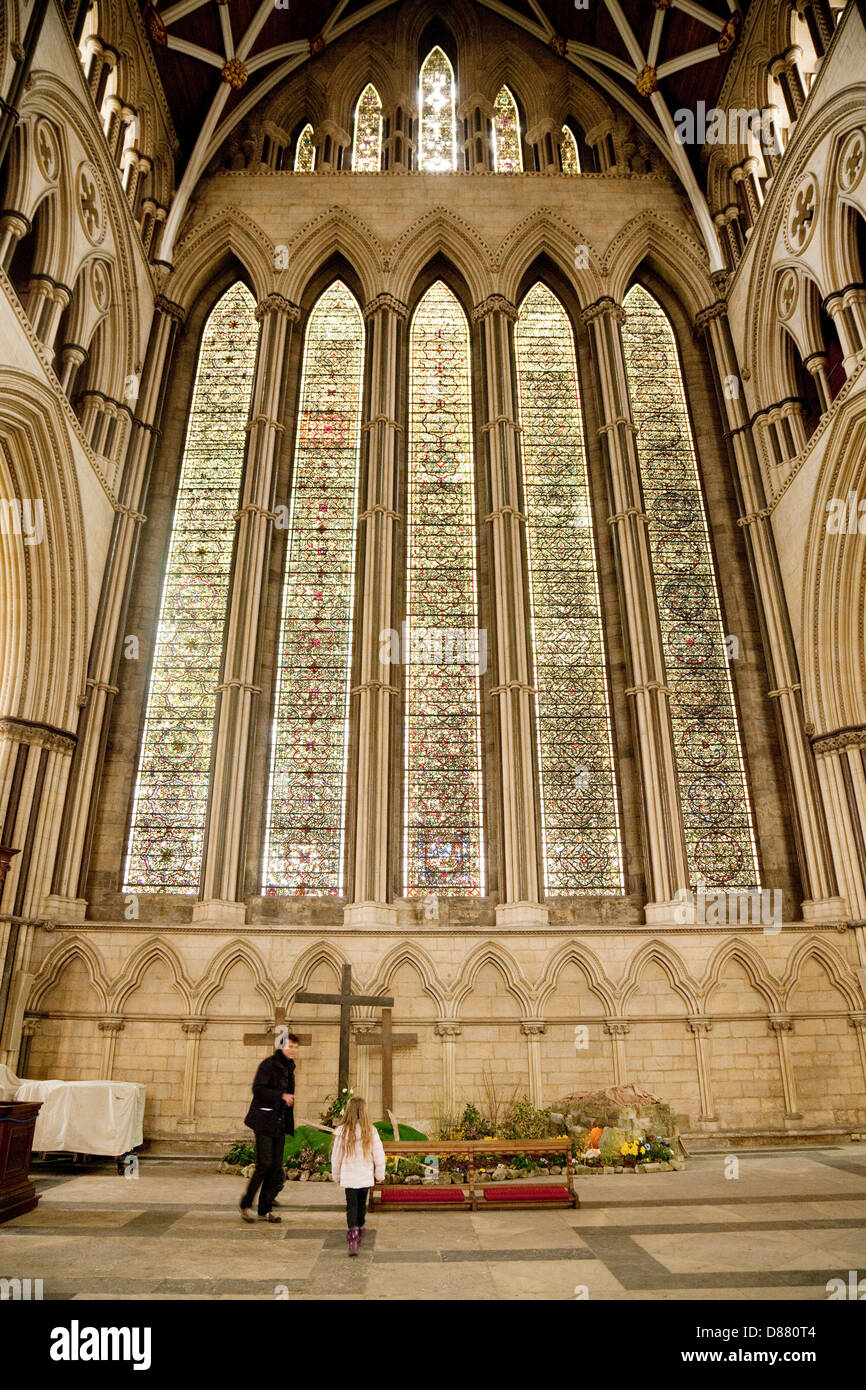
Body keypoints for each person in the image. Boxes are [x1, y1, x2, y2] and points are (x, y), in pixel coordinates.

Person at [239, 1033, 298, 1223]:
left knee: (275, 1167)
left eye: (295, 1047)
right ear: (281, 1047)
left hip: (279, 1123)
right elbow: (258, 1089)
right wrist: (282, 1095)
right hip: (264, 1121)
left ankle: (265, 1209)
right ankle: (246, 1204)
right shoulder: (268, 1065)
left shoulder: (290, 1067)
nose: (293, 1050)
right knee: (264, 1164)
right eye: (290, 1046)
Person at [330, 1095, 386, 1255]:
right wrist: (379, 1173)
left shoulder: (342, 1132)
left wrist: (336, 1174)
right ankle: (360, 1228)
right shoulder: (371, 1131)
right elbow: (379, 1154)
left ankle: (353, 1233)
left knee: (351, 1206)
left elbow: (336, 1156)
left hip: (349, 1178)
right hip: (364, 1177)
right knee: (362, 1205)